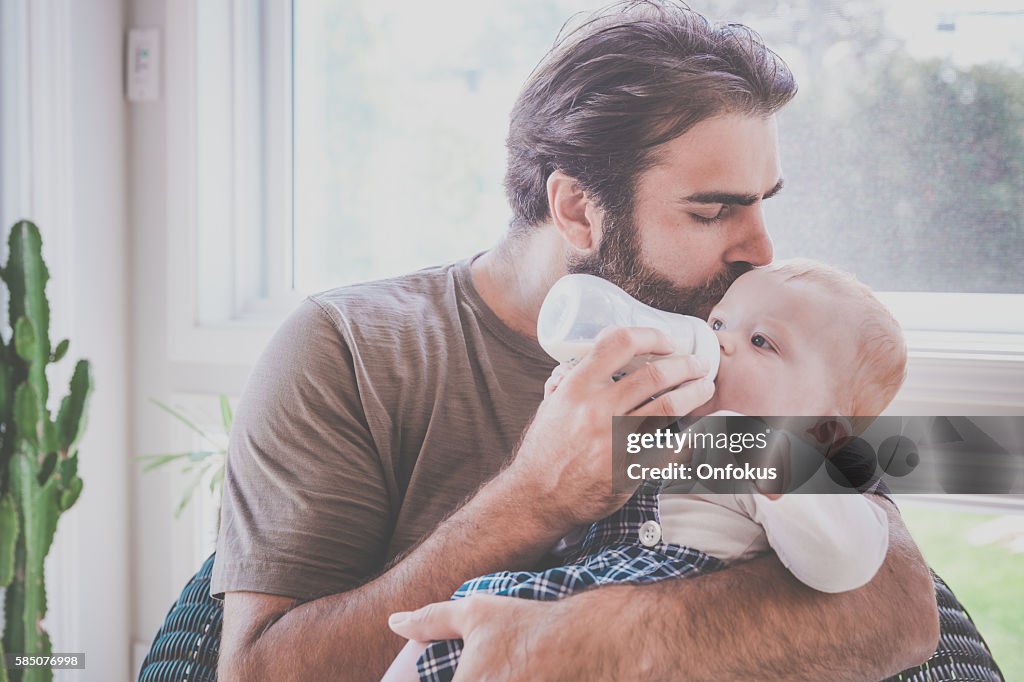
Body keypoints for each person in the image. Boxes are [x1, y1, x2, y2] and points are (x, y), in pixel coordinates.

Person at [213, 3, 944, 680]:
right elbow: (259, 670)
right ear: (576, 209)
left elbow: (897, 610)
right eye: (712, 211)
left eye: (760, 204)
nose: (760, 250)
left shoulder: (754, 348)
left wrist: (599, 637)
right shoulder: (352, 351)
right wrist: (533, 499)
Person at [383, 259, 907, 681]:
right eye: (719, 323)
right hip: (573, 588)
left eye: (762, 342)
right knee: (437, 637)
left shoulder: (777, 452)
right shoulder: (668, 420)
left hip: (665, 610)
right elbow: (574, 474)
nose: (719, 342)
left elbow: (847, 563)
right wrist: (569, 410)